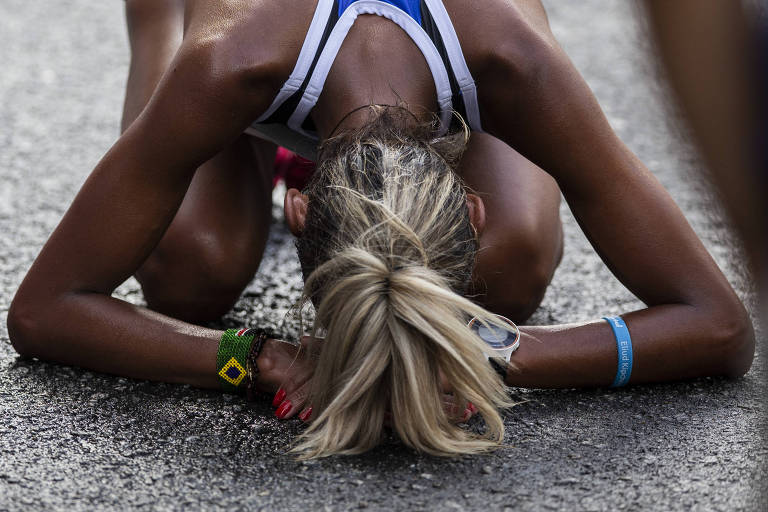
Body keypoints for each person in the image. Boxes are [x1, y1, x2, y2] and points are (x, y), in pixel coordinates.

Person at [7, 0, 755, 458]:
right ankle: (165, 27)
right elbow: (42, 309)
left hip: (453, 57)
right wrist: (252, 355)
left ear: (467, 202)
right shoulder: (229, 61)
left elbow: (723, 326)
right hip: (250, 51)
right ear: (298, 213)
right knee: (189, 270)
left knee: (516, 269)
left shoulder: (512, 59)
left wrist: (483, 350)